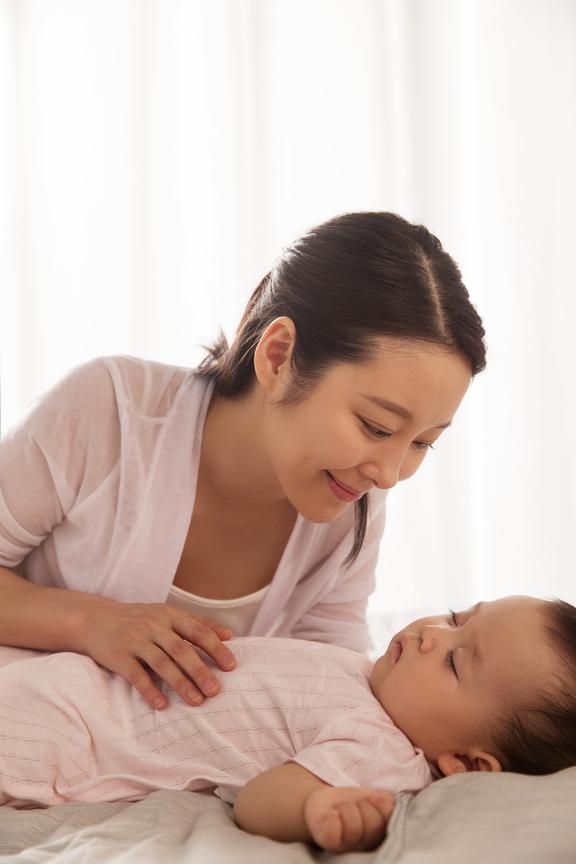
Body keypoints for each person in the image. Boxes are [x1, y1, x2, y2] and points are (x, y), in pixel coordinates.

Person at [0, 211, 486, 712]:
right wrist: (88, 622)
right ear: (278, 356)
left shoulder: (352, 496)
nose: (388, 474)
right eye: (376, 427)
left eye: (422, 443)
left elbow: (330, 673)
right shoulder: (110, 412)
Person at [1, 594, 575, 856]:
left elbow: (262, 799)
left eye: (454, 660)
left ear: (468, 765)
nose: (431, 633)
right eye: (456, 617)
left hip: (64, 741)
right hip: (69, 682)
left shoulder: (382, 753)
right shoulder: (367, 672)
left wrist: (313, 810)